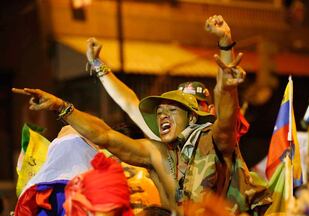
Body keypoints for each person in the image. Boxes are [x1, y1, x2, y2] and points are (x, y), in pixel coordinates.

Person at [13, 52, 269, 214]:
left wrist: (225, 67)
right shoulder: (157, 151)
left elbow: (226, 119)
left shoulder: (214, 143)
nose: (162, 115)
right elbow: (107, 134)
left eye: (173, 109)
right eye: (160, 111)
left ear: (197, 115)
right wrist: (61, 105)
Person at [85, 15, 249, 141]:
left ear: (212, 111)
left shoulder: (218, 139)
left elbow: (225, 90)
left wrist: (225, 41)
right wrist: (98, 64)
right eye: (181, 106)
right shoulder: (168, 140)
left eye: (196, 104)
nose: (190, 110)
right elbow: (129, 103)